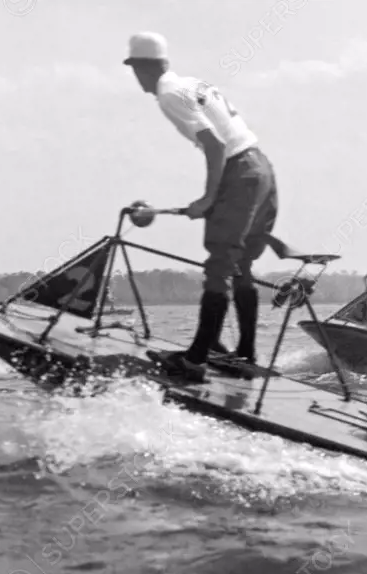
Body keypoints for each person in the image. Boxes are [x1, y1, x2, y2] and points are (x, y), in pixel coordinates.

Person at [124, 32, 279, 381]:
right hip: (262, 168)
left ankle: (194, 360)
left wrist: (209, 198)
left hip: (239, 171)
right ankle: (244, 354)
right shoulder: (191, 83)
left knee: (220, 265)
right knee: (241, 265)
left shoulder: (167, 96)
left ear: (139, 68)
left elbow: (214, 145)